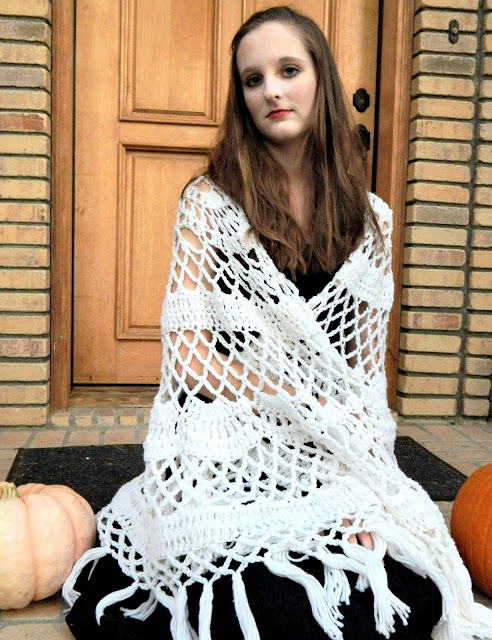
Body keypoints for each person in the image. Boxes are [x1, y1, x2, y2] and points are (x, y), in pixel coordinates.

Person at [64, 6, 492, 640]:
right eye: (252, 79)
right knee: (260, 604)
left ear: (321, 78)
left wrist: (356, 489)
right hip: (228, 441)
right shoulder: (210, 203)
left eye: (288, 70)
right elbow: (189, 357)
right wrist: (295, 397)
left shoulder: (369, 221)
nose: (271, 90)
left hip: (322, 450)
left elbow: (361, 383)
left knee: (403, 591)